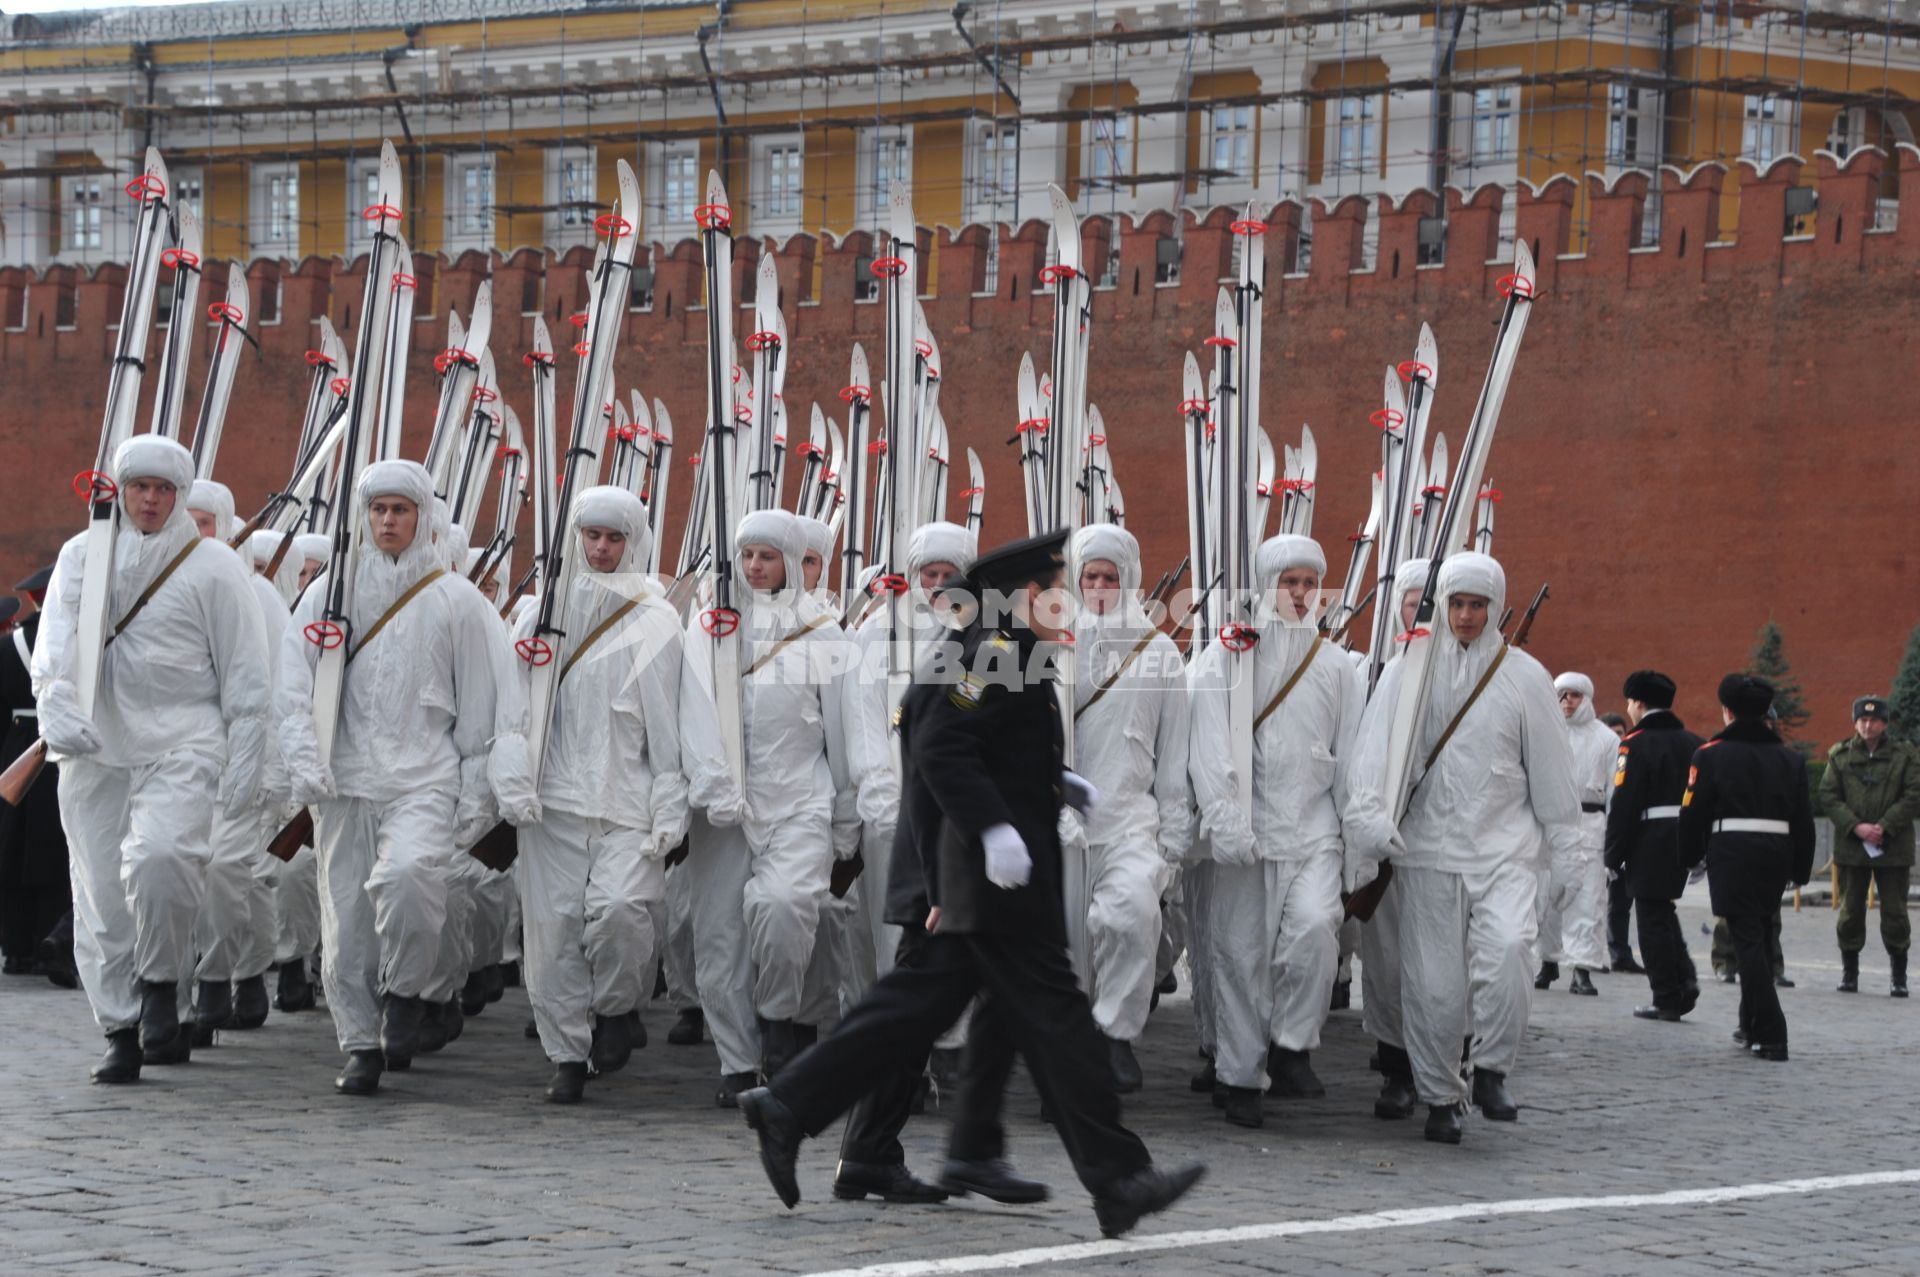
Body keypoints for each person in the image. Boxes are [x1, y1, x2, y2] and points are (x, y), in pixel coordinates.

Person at [735, 530, 1205, 1239]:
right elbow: (938, 742)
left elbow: (984, 737)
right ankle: (1115, 1177)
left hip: (988, 874)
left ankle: (827, 1114)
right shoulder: (996, 646)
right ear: (1021, 594)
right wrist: (993, 829)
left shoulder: (1008, 644)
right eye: (1054, 586)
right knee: (1054, 1014)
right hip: (985, 876)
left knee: (925, 1006)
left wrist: (1059, 783)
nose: (1065, 597)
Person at [277, 460, 539, 1097]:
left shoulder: (458, 601)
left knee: (410, 881)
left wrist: (477, 795)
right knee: (346, 924)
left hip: (424, 781)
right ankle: (361, 1043)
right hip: (344, 785)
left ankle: (406, 991)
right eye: (378, 510)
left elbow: (485, 707)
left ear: (423, 517)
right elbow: (291, 685)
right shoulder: (327, 595)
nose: (388, 521)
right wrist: (304, 761)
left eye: (401, 510)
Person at [33, 436, 271, 1082]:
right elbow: (55, 647)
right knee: (103, 896)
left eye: (164, 490)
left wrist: (244, 773)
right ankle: (120, 1024)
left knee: (164, 860)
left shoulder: (215, 569)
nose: (151, 499)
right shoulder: (83, 556)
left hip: (183, 744)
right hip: (97, 746)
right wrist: (58, 708)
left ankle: (163, 986)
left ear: (181, 495)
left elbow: (248, 678)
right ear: (121, 488)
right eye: (140, 486)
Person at [1344, 551, 1580, 1144]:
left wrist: (1567, 845)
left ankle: (1493, 1067)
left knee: (1507, 954)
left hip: (1504, 854)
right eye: (1457, 603)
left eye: (1478, 605)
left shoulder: (1525, 676)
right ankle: (1440, 1095)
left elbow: (1552, 770)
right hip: (1426, 853)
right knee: (1433, 986)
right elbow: (1374, 753)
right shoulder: (1408, 670)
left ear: (1495, 607)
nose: (1467, 616)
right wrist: (1369, 820)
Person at [512, 486, 687, 1102]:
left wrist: (671, 804)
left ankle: (617, 1008)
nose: (603, 548)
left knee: (621, 914)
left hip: (628, 801)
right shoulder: (540, 614)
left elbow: (668, 724)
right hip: (554, 802)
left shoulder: (657, 619)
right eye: (593, 536)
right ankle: (567, 1053)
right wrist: (513, 778)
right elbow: (517, 710)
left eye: (615, 538)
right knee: (554, 930)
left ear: (633, 541)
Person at [679, 509, 851, 1104]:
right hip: (722, 809)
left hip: (799, 797)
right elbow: (695, 711)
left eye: (768, 556)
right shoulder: (710, 627)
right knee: (720, 934)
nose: (755, 566)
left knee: (785, 907)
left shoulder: (824, 634)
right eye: (747, 554)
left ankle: (780, 1020)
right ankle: (736, 1059)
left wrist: (847, 814)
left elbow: (840, 729)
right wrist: (713, 782)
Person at [1190, 533, 1360, 1128]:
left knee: (1316, 930)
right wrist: (1225, 818)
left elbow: (1353, 754)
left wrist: (1356, 836)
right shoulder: (1226, 657)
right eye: (1289, 582)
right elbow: (1209, 744)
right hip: (1248, 833)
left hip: (1313, 830)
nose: (1299, 593)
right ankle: (1239, 1075)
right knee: (1239, 955)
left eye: (1309, 583)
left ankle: (1292, 1045)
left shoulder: (1338, 666)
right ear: (1267, 586)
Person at [1064, 524, 1190, 1093]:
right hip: (1062, 824)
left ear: (1130, 580)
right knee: (1066, 943)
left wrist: (1173, 835)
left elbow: (1172, 753)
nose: (1099, 587)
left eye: (1109, 577)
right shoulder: (1052, 647)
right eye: (1089, 576)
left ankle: (1115, 1036)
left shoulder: (1160, 655)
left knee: (1133, 916)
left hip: (1130, 823)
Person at [1678, 674, 1816, 1060]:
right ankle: (1750, 1023)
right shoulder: (1791, 759)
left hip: (1733, 852)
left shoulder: (1710, 754)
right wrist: (1801, 868)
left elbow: (1693, 814)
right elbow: (1803, 821)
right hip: (1775, 853)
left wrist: (1689, 857)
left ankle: (1772, 1032)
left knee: (1748, 942)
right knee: (1758, 933)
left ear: (1728, 712)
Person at [1350, 557, 1429, 1123]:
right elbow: (1362, 763)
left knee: (1451, 969)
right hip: (1391, 842)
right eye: (1412, 600)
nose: (1422, 611)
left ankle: (1448, 1063)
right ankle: (1397, 1066)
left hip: (1463, 846)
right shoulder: (1380, 676)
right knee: (1390, 965)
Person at [1602, 670, 1705, 1022]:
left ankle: (1667, 995)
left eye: (1630, 702)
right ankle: (1684, 979)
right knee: (1662, 910)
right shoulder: (1694, 742)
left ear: (1639, 703)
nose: (1628, 709)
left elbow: (1625, 803)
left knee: (1649, 918)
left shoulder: (1634, 743)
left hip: (1650, 839)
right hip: (1684, 835)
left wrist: (1613, 853)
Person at [1818, 695, 1915, 997]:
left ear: (1884, 723)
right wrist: (1856, 827)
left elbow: (1914, 794)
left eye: (1873, 720)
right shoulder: (1841, 755)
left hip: (1892, 847)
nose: (1867, 725)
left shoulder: (1905, 756)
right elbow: (1828, 795)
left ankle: (1898, 977)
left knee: (1896, 913)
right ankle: (1850, 974)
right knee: (1849, 912)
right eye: (1861, 720)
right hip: (1853, 847)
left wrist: (1885, 825)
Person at [0, 566, 70, 980]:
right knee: (52, 854)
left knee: (11, 853)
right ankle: (50, 941)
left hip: (14, 749)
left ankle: (16, 950)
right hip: (57, 751)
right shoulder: (71, 641)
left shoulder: (9, 648)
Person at [1534, 672, 1614, 997]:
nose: (1568, 701)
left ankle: (1581, 967)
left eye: (1575, 695)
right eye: (1563, 695)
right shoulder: (1544, 734)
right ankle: (1548, 960)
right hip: (1550, 824)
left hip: (1589, 827)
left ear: (1587, 698)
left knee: (1586, 900)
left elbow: (1613, 790)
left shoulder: (1606, 740)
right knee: (1548, 898)